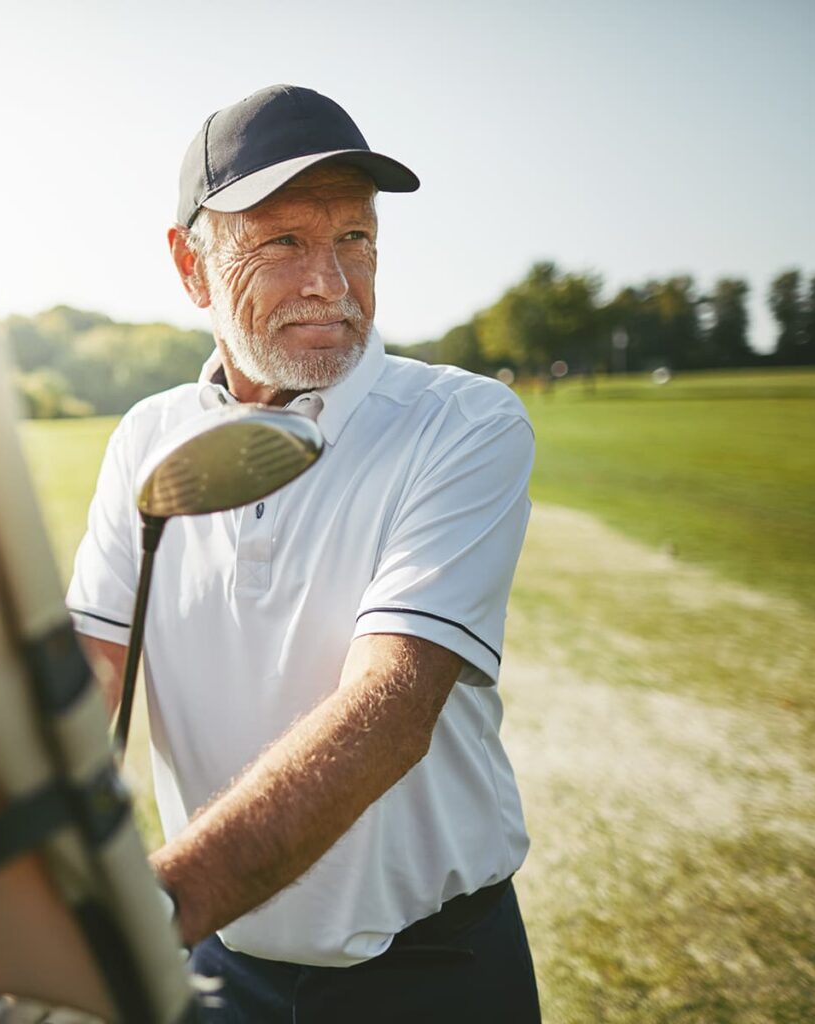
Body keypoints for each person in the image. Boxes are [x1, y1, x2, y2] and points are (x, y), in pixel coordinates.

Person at [67, 84, 542, 1022]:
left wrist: (159, 902)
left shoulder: (463, 420)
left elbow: (389, 711)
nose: (331, 279)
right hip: (215, 959)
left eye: (355, 239)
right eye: (282, 241)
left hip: (435, 974)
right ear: (191, 266)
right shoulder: (146, 436)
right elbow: (90, 672)